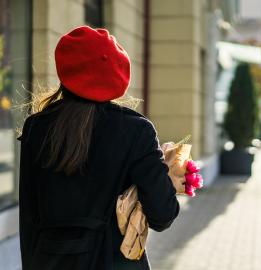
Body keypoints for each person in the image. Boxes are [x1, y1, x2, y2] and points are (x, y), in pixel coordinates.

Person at [17, 26, 180, 270]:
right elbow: (162, 215)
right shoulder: (136, 131)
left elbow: (29, 218)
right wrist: (167, 174)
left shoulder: (36, 127)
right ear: (118, 75)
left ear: (66, 70)